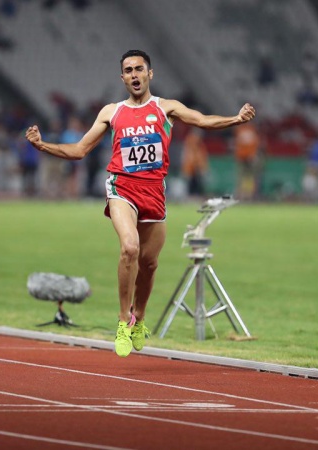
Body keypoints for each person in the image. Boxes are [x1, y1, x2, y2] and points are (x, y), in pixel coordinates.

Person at [25, 49, 255, 357]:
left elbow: (202, 120)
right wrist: (42, 145)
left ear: (150, 73)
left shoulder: (165, 108)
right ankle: (122, 320)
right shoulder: (111, 112)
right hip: (122, 187)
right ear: (122, 78)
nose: (134, 74)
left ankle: (139, 317)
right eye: (128, 70)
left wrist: (236, 119)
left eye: (139, 69)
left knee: (149, 264)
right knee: (129, 248)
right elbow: (80, 150)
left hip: (154, 192)